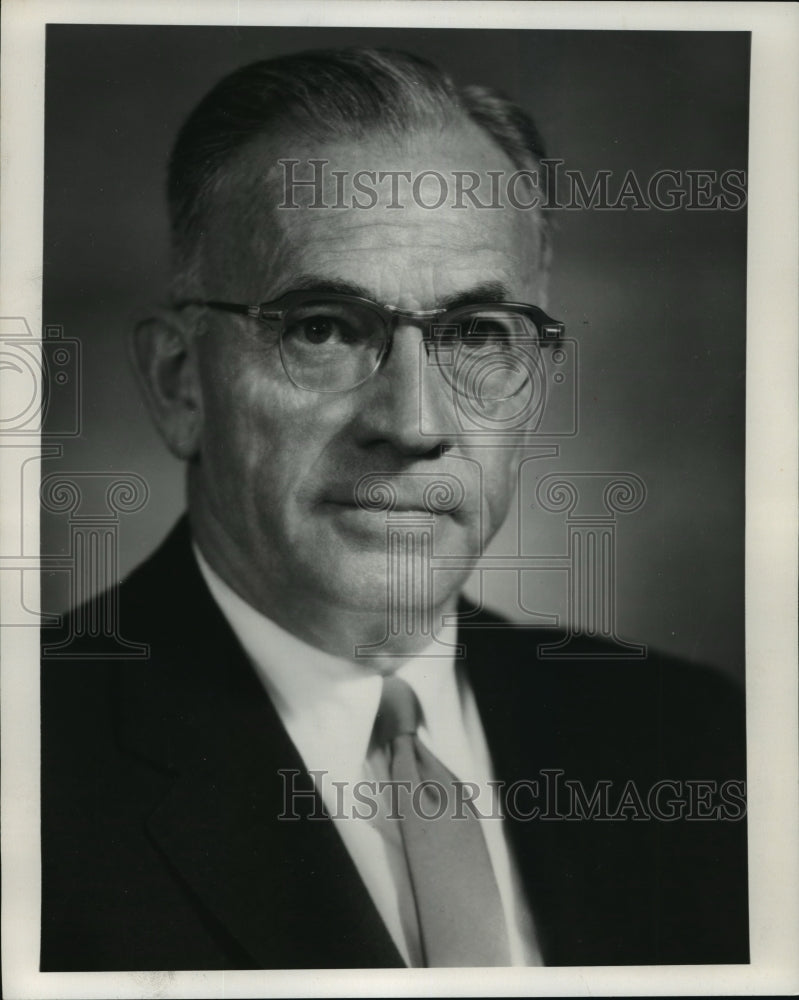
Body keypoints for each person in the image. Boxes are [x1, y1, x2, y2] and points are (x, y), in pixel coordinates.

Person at [40, 48, 748, 971]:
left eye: (476, 334)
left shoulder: (689, 741)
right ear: (181, 383)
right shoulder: (31, 764)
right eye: (322, 328)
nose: (413, 424)